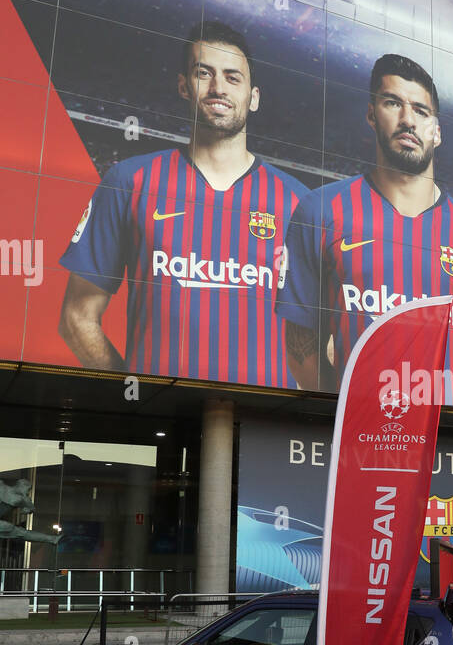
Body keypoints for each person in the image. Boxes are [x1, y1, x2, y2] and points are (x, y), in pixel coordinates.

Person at [59, 21, 306, 386]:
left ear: (253, 97)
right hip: (162, 424)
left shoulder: (300, 203)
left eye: (232, 77)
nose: (218, 87)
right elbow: (76, 317)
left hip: (266, 427)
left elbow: (321, 338)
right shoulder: (130, 181)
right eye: (203, 73)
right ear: (183, 86)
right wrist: (131, 395)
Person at [276, 53, 453, 397]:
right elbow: (299, 342)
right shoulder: (321, 210)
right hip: (358, 437)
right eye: (392, 103)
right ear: (372, 114)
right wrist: (349, 410)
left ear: (438, 132)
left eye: (421, 111)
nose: (407, 120)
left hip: (450, 436)